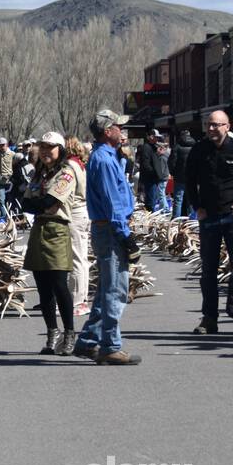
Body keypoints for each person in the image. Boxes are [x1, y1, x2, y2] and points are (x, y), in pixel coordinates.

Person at [73, 109, 140, 365]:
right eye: (117, 127)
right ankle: (110, 345)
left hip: (108, 228)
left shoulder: (108, 157)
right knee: (115, 290)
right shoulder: (104, 160)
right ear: (107, 131)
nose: (121, 131)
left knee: (105, 290)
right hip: (111, 229)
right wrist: (126, 237)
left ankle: (89, 340)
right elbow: (113, 204)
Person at [184, 110, 233, 335]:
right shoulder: (199, 149)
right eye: (209, 125)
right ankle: (209, 318)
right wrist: (197, 207)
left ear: (227, 126)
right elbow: (188, 180)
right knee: (208, 270)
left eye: (217, 125)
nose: (212, 129)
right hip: (210, 218)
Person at [20, 131, 79, 355]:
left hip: (56, 230)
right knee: (43, 289)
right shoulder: (38, 175)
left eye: (50, 147)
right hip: (38, 230)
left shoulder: (66, 174)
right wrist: (39, 205)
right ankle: (51, 333)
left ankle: (70, 333)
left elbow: (50, 202)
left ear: (60, 150)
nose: (45, 151)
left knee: (59, 286)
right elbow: (25, 203)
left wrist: (39, 204)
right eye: (42, 147)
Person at [64, 136, 91, 317]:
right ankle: (82, 298)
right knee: (81, 258)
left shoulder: (69, 166)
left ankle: (76, 301)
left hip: (74, 212)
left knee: (76, 259)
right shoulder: (80, 164)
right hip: (83, 211)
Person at [169, 129, 195, 218]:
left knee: (178, 199)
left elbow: (172, 162)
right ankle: (192, 220)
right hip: (191, 177)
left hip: (179, 177)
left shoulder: (177, 146)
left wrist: (173, 172)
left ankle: (176, 220)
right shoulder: (194, 146)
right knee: (191, 200)